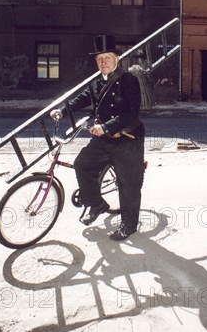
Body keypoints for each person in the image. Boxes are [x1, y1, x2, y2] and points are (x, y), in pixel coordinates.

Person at [50, 34, 145, 241]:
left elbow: (131, 113)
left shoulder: (128, 80)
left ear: (116, 59)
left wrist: (105, 127)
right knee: (82, 164)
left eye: (107, 58)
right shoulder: (96, 82)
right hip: (105, 137)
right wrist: (62, 111)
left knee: (128, 183)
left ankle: (129, 225)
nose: (103, 62)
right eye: (99, 59)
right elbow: (82, 98)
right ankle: (96, 204)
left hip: (127, 138)